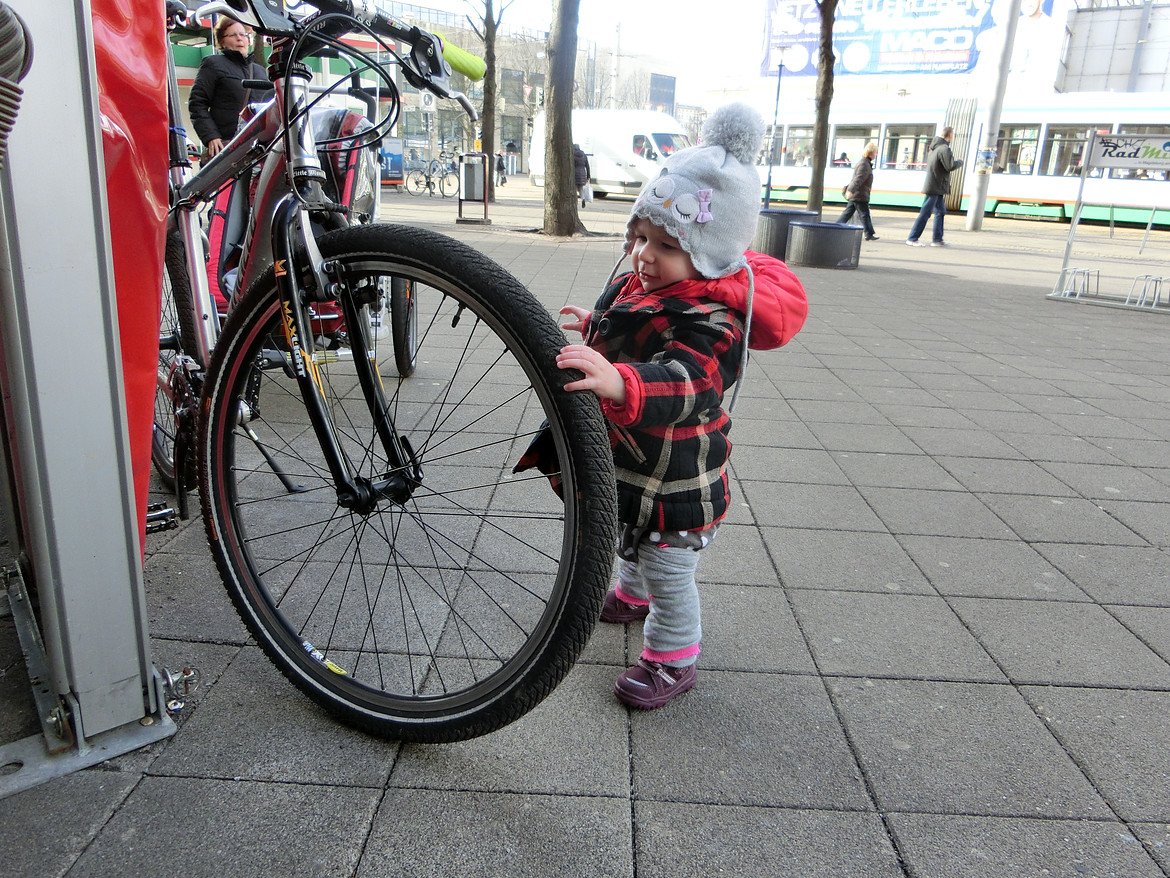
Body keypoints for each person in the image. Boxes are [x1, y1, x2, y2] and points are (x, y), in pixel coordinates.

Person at [527, 105, 809, 710]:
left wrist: (621, 380)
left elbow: (687, 381)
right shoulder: (648, 286)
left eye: (666, 245)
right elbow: (641, 331)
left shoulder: (715, 321)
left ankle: (673, 656)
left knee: (666, 562)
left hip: (680, 474)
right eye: (640, 238)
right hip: (640, 459)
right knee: (632, 530)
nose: (644, 255)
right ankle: (632, 597)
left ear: (710, 254)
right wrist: (600, 324)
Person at [188, 18, 267, 159]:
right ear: (222, 41)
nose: (239, 38)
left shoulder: (260, 71)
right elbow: (197, 103)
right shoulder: (213, 64)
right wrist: (211, 136)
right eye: (233, 35)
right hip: (226, 149)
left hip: (258, 149)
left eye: (243, 35)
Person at [906, 126, 963, 247]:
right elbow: (950, 166)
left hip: (936, 185)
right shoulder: (944, 149)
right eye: (953, 134)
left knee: (940, 212)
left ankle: (937, 239)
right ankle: (912, 238)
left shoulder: (935, 148)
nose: (953, 136)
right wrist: (959, 162)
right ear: (949, 135)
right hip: (935, 186)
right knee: (925, 213)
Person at [837, 141, 879, 241]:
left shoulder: (865, 163)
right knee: (864, 214)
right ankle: (868, 233)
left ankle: (836, 227)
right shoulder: (864, 164)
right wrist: (851, 190)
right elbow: (858, 179)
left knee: (848, 213)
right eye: (875, 152)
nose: (876, 154)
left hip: (858, 194)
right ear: (871, 152)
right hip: (859, 194)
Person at [572, 143, 591, 207]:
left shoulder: (572, 155)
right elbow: (587, 166)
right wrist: (588, 176)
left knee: (574, 189)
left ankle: (575, 202)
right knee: (581, 188)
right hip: (583, 174)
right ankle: (583, 199)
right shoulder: (584, 155)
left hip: (575, 174)